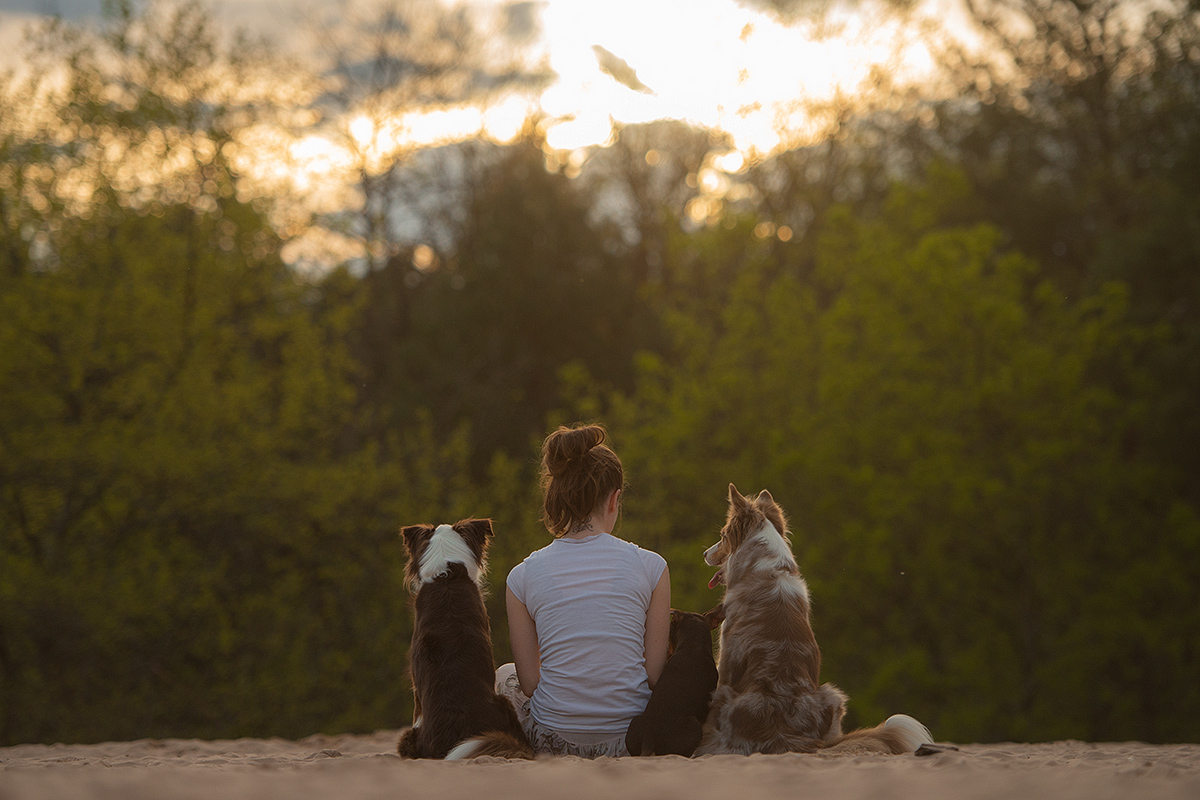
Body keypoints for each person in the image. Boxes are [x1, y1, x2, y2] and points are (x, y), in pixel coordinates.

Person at [497, 423, 671, 757]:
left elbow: (530, 684)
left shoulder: (521, 577)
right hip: (628, 739)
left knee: (505, 676)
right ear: (614, 500)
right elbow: (652, 675)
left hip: (554, 741)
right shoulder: (653, 566)